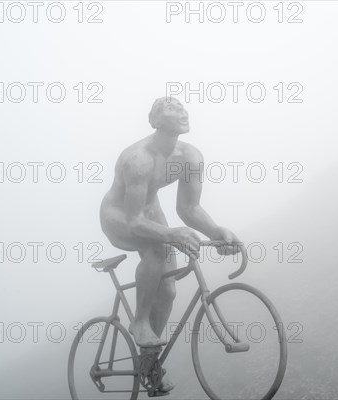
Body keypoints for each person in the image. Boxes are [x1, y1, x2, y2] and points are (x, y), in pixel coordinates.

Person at [99, 96, 241, 393]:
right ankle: (139, 322)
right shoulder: (138, 158)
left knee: (169, 288)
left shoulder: (190, 157)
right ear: (156, 121)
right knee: (154, 250)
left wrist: (216, 231)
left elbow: (189, 209)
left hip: (149, 211)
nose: (182, 113)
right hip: (119, 214)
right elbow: (136, 221)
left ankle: (149, 364)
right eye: (172, 110)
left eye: (183, 108)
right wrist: (172, 234)